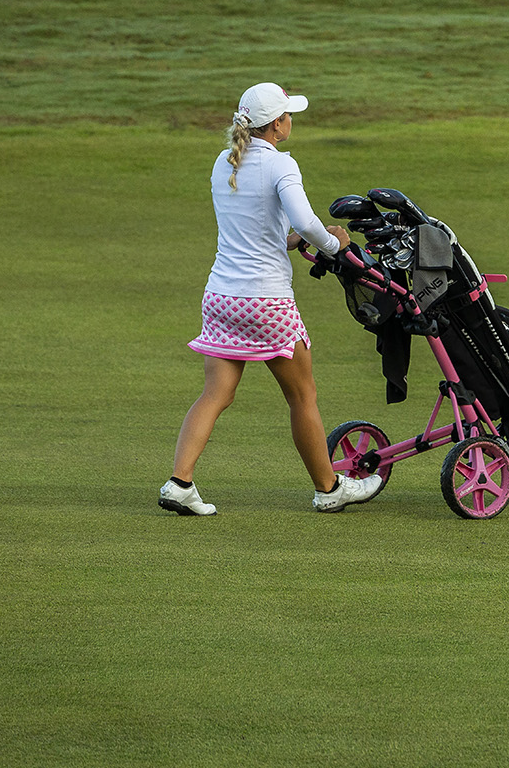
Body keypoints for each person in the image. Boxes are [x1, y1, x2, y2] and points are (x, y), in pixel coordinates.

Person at [158, 82, 385, 515]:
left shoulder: (224, 162)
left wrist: (298, 238)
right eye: (288, 115)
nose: (291, 121)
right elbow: (304, 218)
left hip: (221, 297)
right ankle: (329, 488)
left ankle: (179, 482)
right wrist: (334, 244)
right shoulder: (282, 165)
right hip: (266, 303)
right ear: (278, 123)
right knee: (303, 397)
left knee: (215, 394)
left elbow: (261, 230)